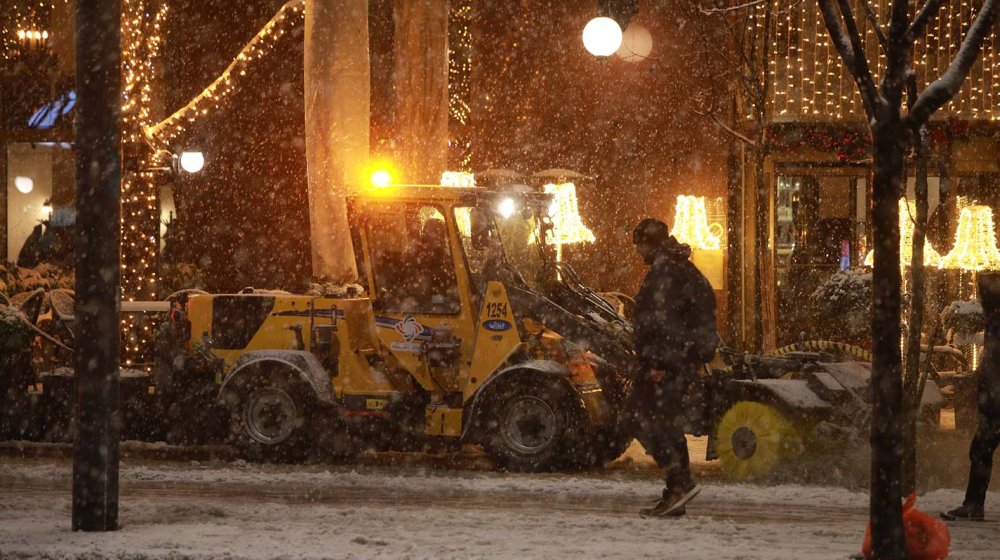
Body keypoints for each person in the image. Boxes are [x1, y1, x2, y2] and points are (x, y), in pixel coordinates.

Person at [625, 217, 719, 518]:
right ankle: (676, 488)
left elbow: (660, 323)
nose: (638, 251)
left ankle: (680, 483)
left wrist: (658, 363)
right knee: (663, 419)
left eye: (639, 244)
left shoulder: (665, 271)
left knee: (644, 418)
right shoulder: (680, 267)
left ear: (648, 242)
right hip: (681, 358)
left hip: (668, 362)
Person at [943, 276, 1000, 521]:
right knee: (980, 450)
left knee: (981, 450)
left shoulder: (995, 324)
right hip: (993, 399)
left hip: (995, 401)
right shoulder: (994, 323)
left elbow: (993, 362)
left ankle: (973, 504)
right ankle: (973, 504)